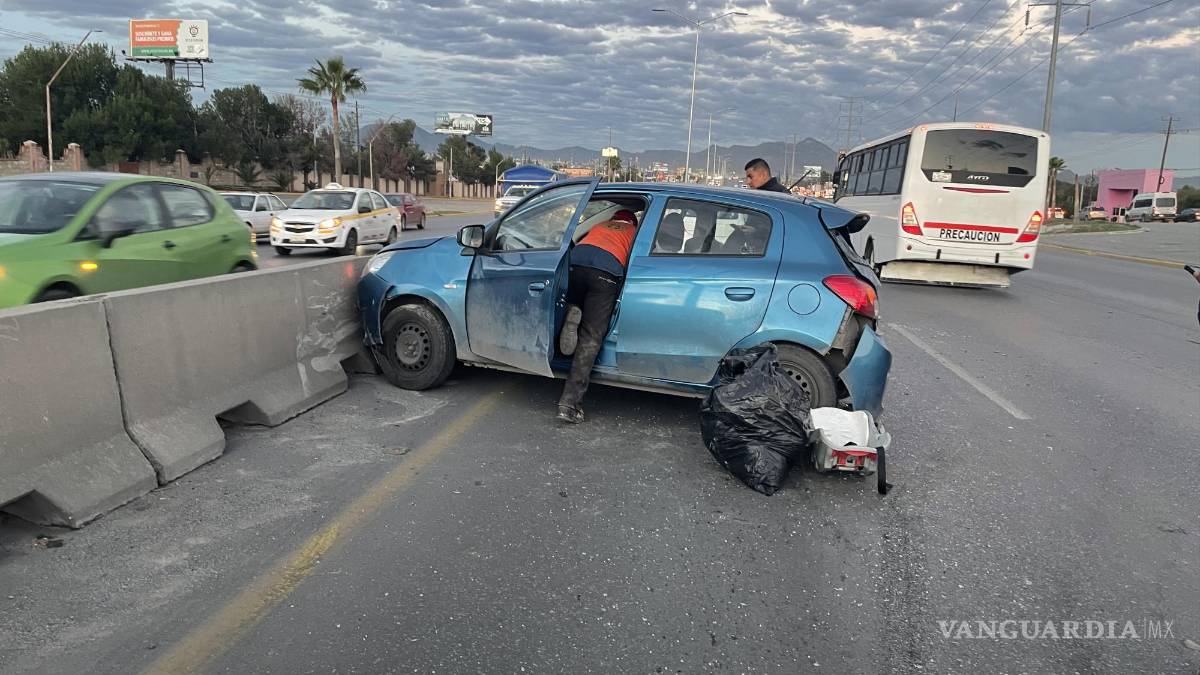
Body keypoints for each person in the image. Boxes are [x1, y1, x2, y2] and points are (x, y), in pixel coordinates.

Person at [556, 209, 640, 423]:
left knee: (567, 302)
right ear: (632, 222)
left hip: (576, 262)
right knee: (591, 336)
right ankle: (569, 405)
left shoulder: (599, 226)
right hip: (606, 271)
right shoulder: (633, 232)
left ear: (614, 220)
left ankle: (572, 310)